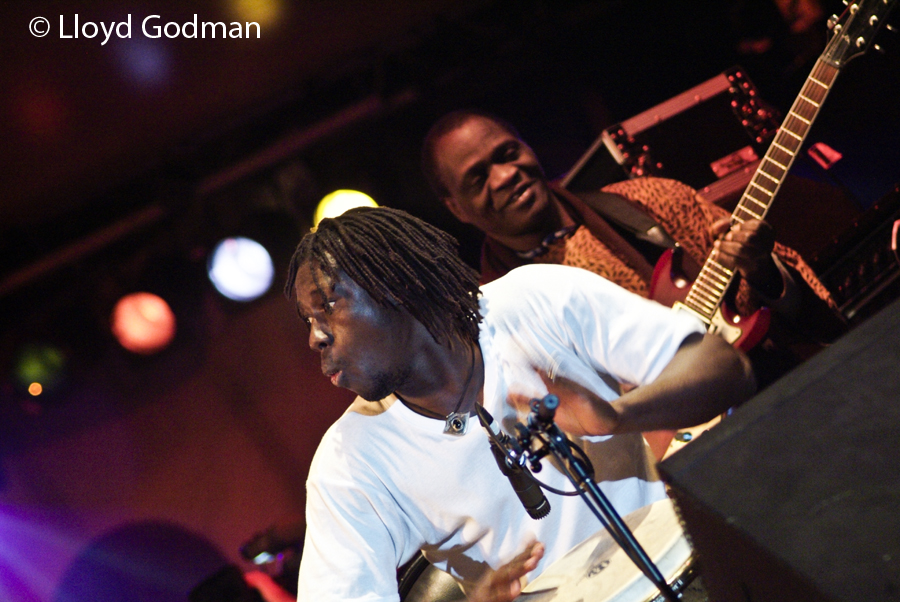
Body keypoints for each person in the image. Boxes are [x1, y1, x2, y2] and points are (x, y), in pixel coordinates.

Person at [285, 206, 755, 601]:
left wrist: (617, 417)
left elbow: (724, 369)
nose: (315, 338)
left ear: (394, 285)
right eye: (308, 319)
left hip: (696, 572)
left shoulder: (534, 301)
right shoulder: (349, 463)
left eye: (327, 305)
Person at [420, 110, 847, 392]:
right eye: (477, 178)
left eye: (508, 153)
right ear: (455, 208)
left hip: (776, 396)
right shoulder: (493, 322)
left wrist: (761, 269)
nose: (505, 176)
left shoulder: (650, 202)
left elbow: (798, 311)